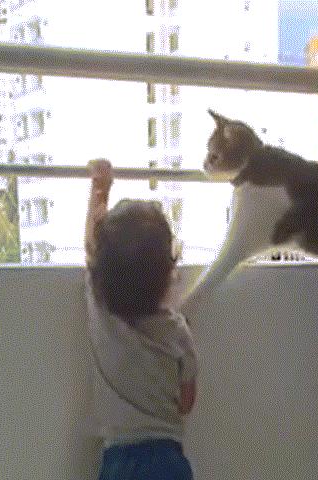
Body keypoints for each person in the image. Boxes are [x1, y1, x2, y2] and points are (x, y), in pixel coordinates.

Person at [84, 159, 197, 480]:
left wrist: (100, 189)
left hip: (119, 462)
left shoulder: (102, 313)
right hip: (168, 462)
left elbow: (91, 249)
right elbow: (186, 402)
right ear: (167, 273)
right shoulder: (177, 332)